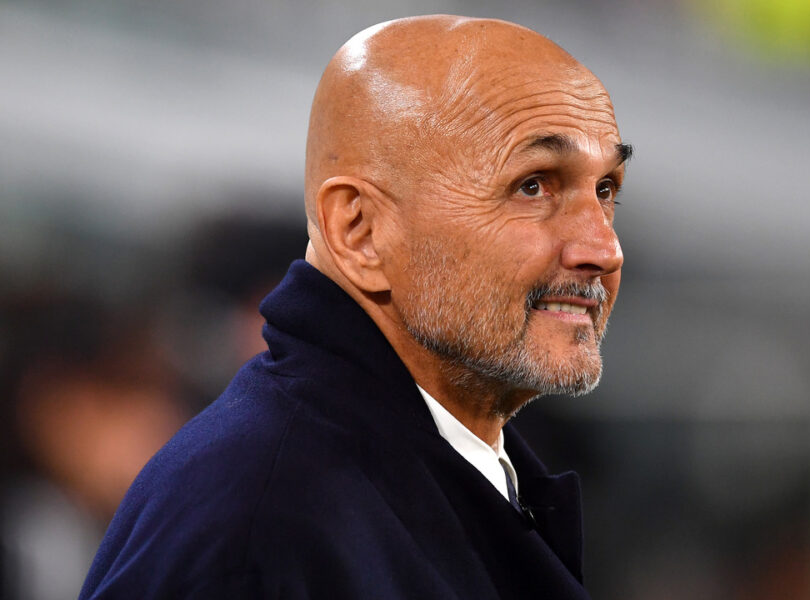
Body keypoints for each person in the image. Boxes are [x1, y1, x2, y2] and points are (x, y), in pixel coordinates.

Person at [80, 14, 630, 599]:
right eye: (534, 185)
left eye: (605, 190)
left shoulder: (419, 477)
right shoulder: (260, 527)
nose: (603, 248)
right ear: (361, 231)